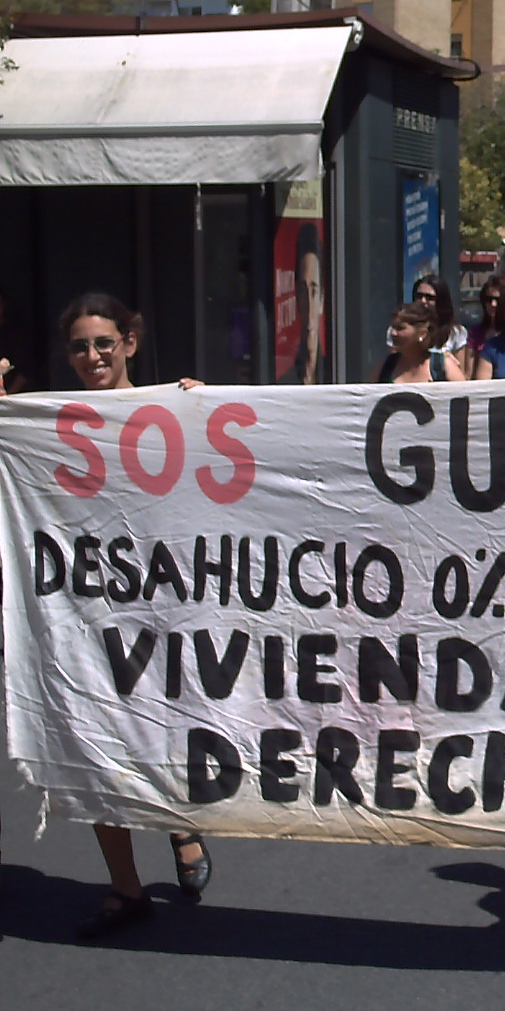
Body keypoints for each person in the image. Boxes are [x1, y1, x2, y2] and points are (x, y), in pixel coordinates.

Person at [37, 294, 214, 936]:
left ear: (130, 343)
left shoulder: (170, 408)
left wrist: (202, 407)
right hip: (83, 611)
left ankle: (181, 824)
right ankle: (125, 887)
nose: (92, 357)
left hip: (160, 607)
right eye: (80, 346)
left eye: (104, 343)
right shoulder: (47, 422)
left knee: (159, 732)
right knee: (92, 742)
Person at [371, 301, 466, 382]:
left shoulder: (442, 367)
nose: (393, 333)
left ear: (422, 333)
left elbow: (464, 398)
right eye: (393, 327)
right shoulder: (385, 367)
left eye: (400, 328)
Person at [279, 222, 326, 384]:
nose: (308, 302)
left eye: (313, 290)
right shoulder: (285, 377)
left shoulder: (333, 372)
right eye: (302, 289)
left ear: (322, 299)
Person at [410, 273, 470, 369]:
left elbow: (461, 371)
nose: (423, 301)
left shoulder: (456, 333)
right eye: (419, 296)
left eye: (429, 298)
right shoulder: (403, 328)